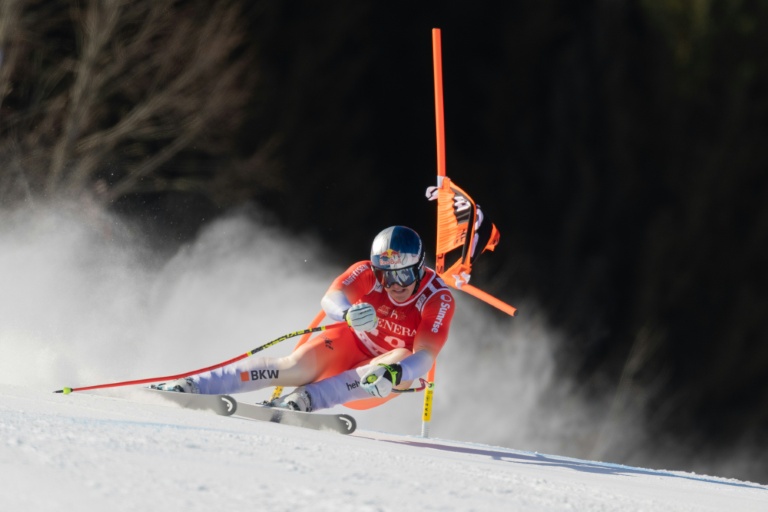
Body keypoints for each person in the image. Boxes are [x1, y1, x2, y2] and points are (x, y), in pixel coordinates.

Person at [153, 225, 456, 412]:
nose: (395, 285)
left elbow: (426, 357)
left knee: (400, 356)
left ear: (419, 268)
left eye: (404, 274)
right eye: (386, 276)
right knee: (291, 368)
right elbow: (331, 299)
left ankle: (311, 398)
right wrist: (347, 313)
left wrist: (396, 375)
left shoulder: (436, 297)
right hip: (347, 346)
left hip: (378, 378)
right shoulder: (367, 273)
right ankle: (195, 384)